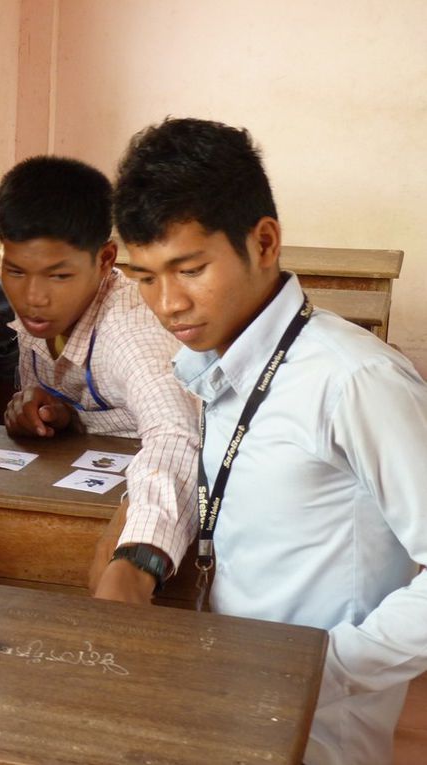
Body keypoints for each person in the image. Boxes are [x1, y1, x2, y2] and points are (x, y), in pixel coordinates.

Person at [112, 117, 427, 764]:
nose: (167, 302)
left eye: (190, 268)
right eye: (144, 277)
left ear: (264, 242)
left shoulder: (353, 380)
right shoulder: (220, 366)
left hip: (320, 735)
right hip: (231, 704)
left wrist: (328, 667)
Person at [0, 155, 199, 604]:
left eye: (59, 275)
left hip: (151, 510)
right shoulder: (41, 304)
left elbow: (177, 434)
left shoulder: (131, 332)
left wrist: (137, 561)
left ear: (105, 259)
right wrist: (46, 406)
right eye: (15, 271)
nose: (33, 297)